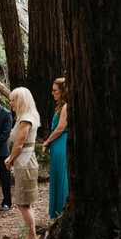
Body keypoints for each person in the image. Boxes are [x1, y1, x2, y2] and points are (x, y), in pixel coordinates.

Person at [4, 87, 41, 239]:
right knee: (25, 202)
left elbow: (19, 144)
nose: (11, 103)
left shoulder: (26, 118)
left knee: (22, 203)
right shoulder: (23, 118)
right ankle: (30, 237)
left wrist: (10, 159)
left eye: (13, 100)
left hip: (25, 162)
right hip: (24, 161)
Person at [42, 77, 69, 219]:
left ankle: (62, 210)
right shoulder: (60, 106)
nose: (52, 93)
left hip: (61, 142)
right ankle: (58, 211)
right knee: (57, 175)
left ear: (63, 91)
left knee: (62, 175)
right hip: (57, 144)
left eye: (55, 90)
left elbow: (60, 128)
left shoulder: (66, 107)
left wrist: (46, 142)